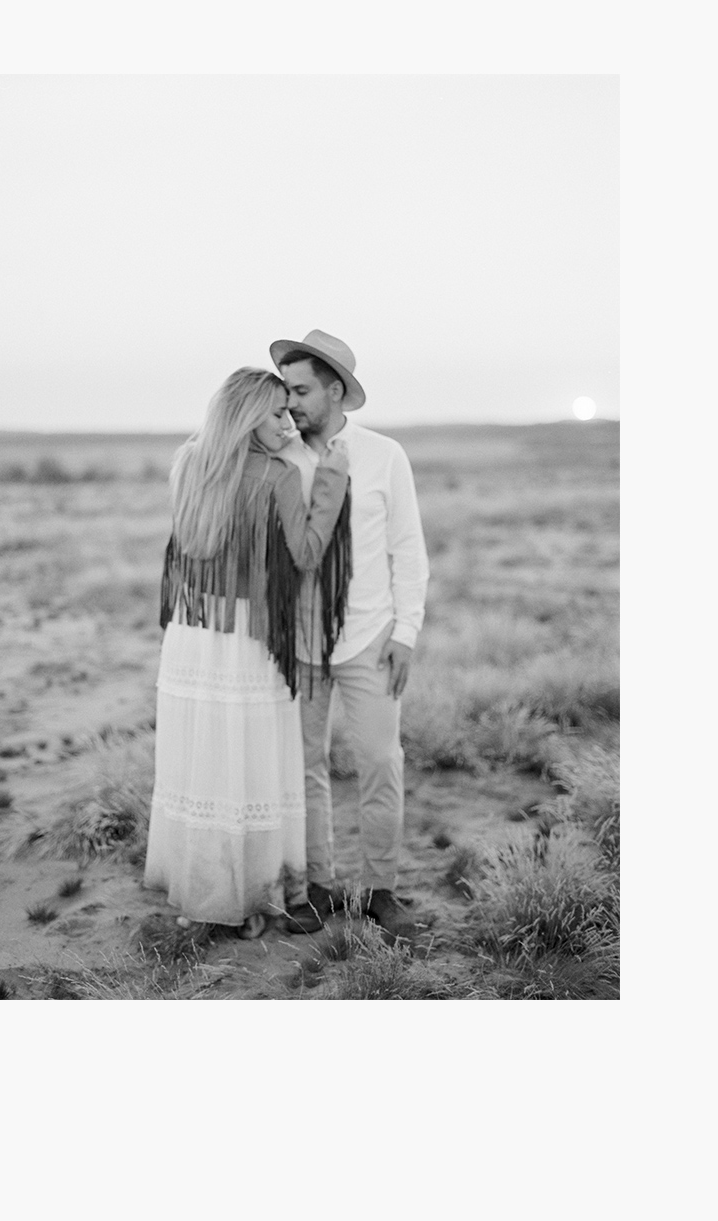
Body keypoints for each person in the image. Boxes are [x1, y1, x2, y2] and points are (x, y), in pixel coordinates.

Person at [143, 366, 351, 939]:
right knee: (251, 767)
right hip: (247, 636)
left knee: (205, 763)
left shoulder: (190, 463)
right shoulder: (279, 474)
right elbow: (306, 555)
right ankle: (252, 898)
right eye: (276, 413)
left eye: (288, 411)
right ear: (247, 417)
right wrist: (330, 483)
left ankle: (205, 892)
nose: (288, 424)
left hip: (192, 631)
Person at [270, 330, 430, 938]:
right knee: (304, 767)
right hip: (300, 643)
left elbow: (407, 549)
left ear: (335, 390)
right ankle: (317, 887)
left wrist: (406, 631)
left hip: (370, 637)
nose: (290, 402)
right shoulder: (280, 457)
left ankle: (381, 890)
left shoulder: (384, 455)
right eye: (286, 390)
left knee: (381, 763)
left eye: (301, 390)